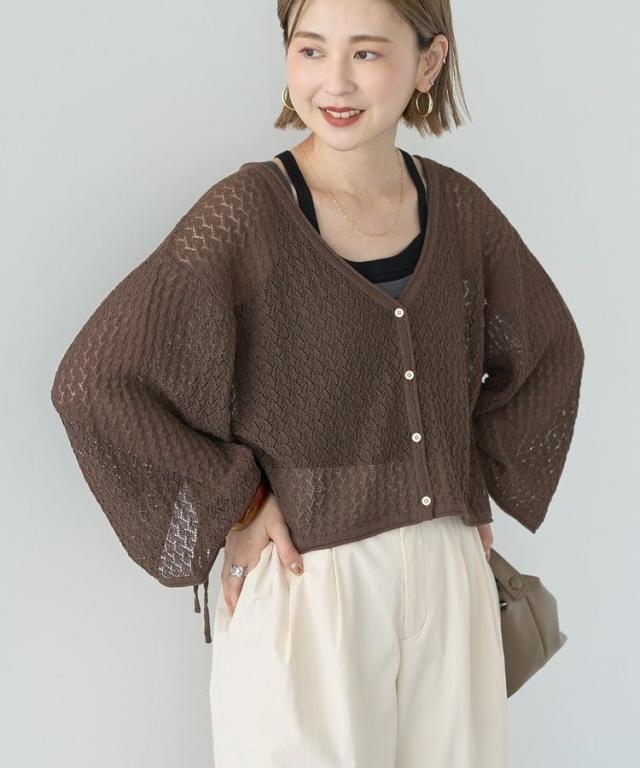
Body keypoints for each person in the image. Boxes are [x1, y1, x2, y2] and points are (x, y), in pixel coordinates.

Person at [50, 1, 585, 766]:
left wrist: (461, 475)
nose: (334, 81)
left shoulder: (459, 210)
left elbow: (549, 349)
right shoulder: (247, 214)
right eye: (309, 50)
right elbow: (95, 381)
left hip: (448, 574)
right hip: (309, 580)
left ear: (429, 63)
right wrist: (238, 502)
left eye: (366, 53)